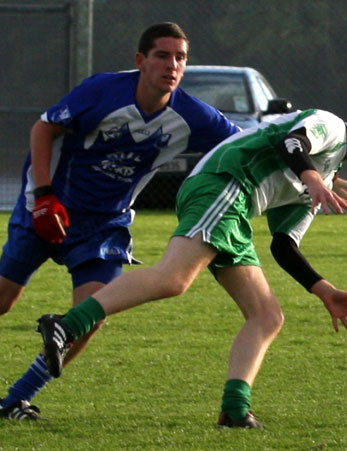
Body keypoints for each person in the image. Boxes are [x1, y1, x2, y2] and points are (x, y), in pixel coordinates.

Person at [33, 90, 347, 428]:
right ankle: (66, 326)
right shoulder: (330, 127)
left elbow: (284, 244)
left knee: (267, 316)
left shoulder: (326, 174)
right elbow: (292, 143)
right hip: (225, 183)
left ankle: (235, 410)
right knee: (174, 278)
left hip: (235, 209)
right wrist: (314, 179)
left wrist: (323, 290)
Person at [0, 22, 241, 420]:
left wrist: (314, 167)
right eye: (163, 55)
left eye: (180, 57)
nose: (172, 65)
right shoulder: (102, 90)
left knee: (92, 314)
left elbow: (243, 144)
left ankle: (15, 400)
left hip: (104, 225)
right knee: (4, 300)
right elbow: (44, 127)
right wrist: (43, 196)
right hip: (48, 208)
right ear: (140, 60)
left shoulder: (193, 115)